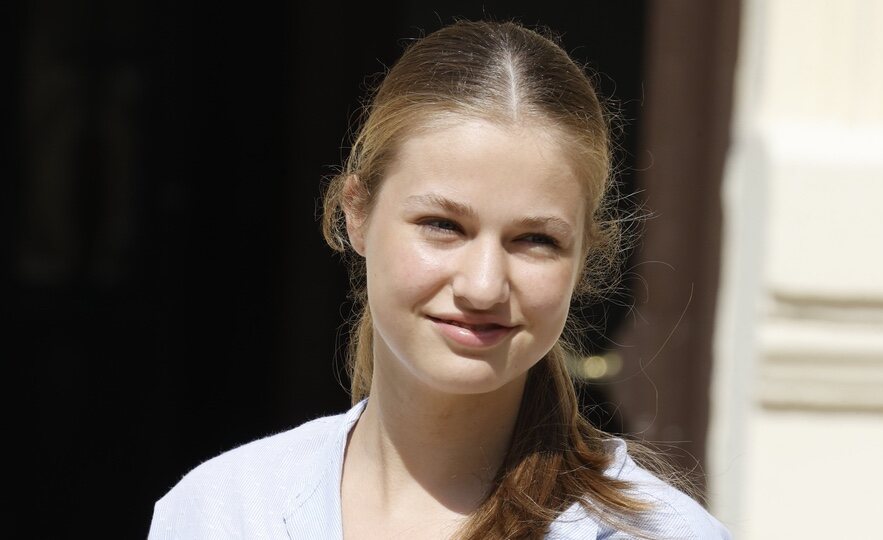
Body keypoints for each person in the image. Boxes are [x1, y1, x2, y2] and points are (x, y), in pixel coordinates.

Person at [148, 20, 731, 539]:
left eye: (536, 240)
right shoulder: (222, 511)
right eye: (443, 225)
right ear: (356, 212)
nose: (482, 286)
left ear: (584, 258)